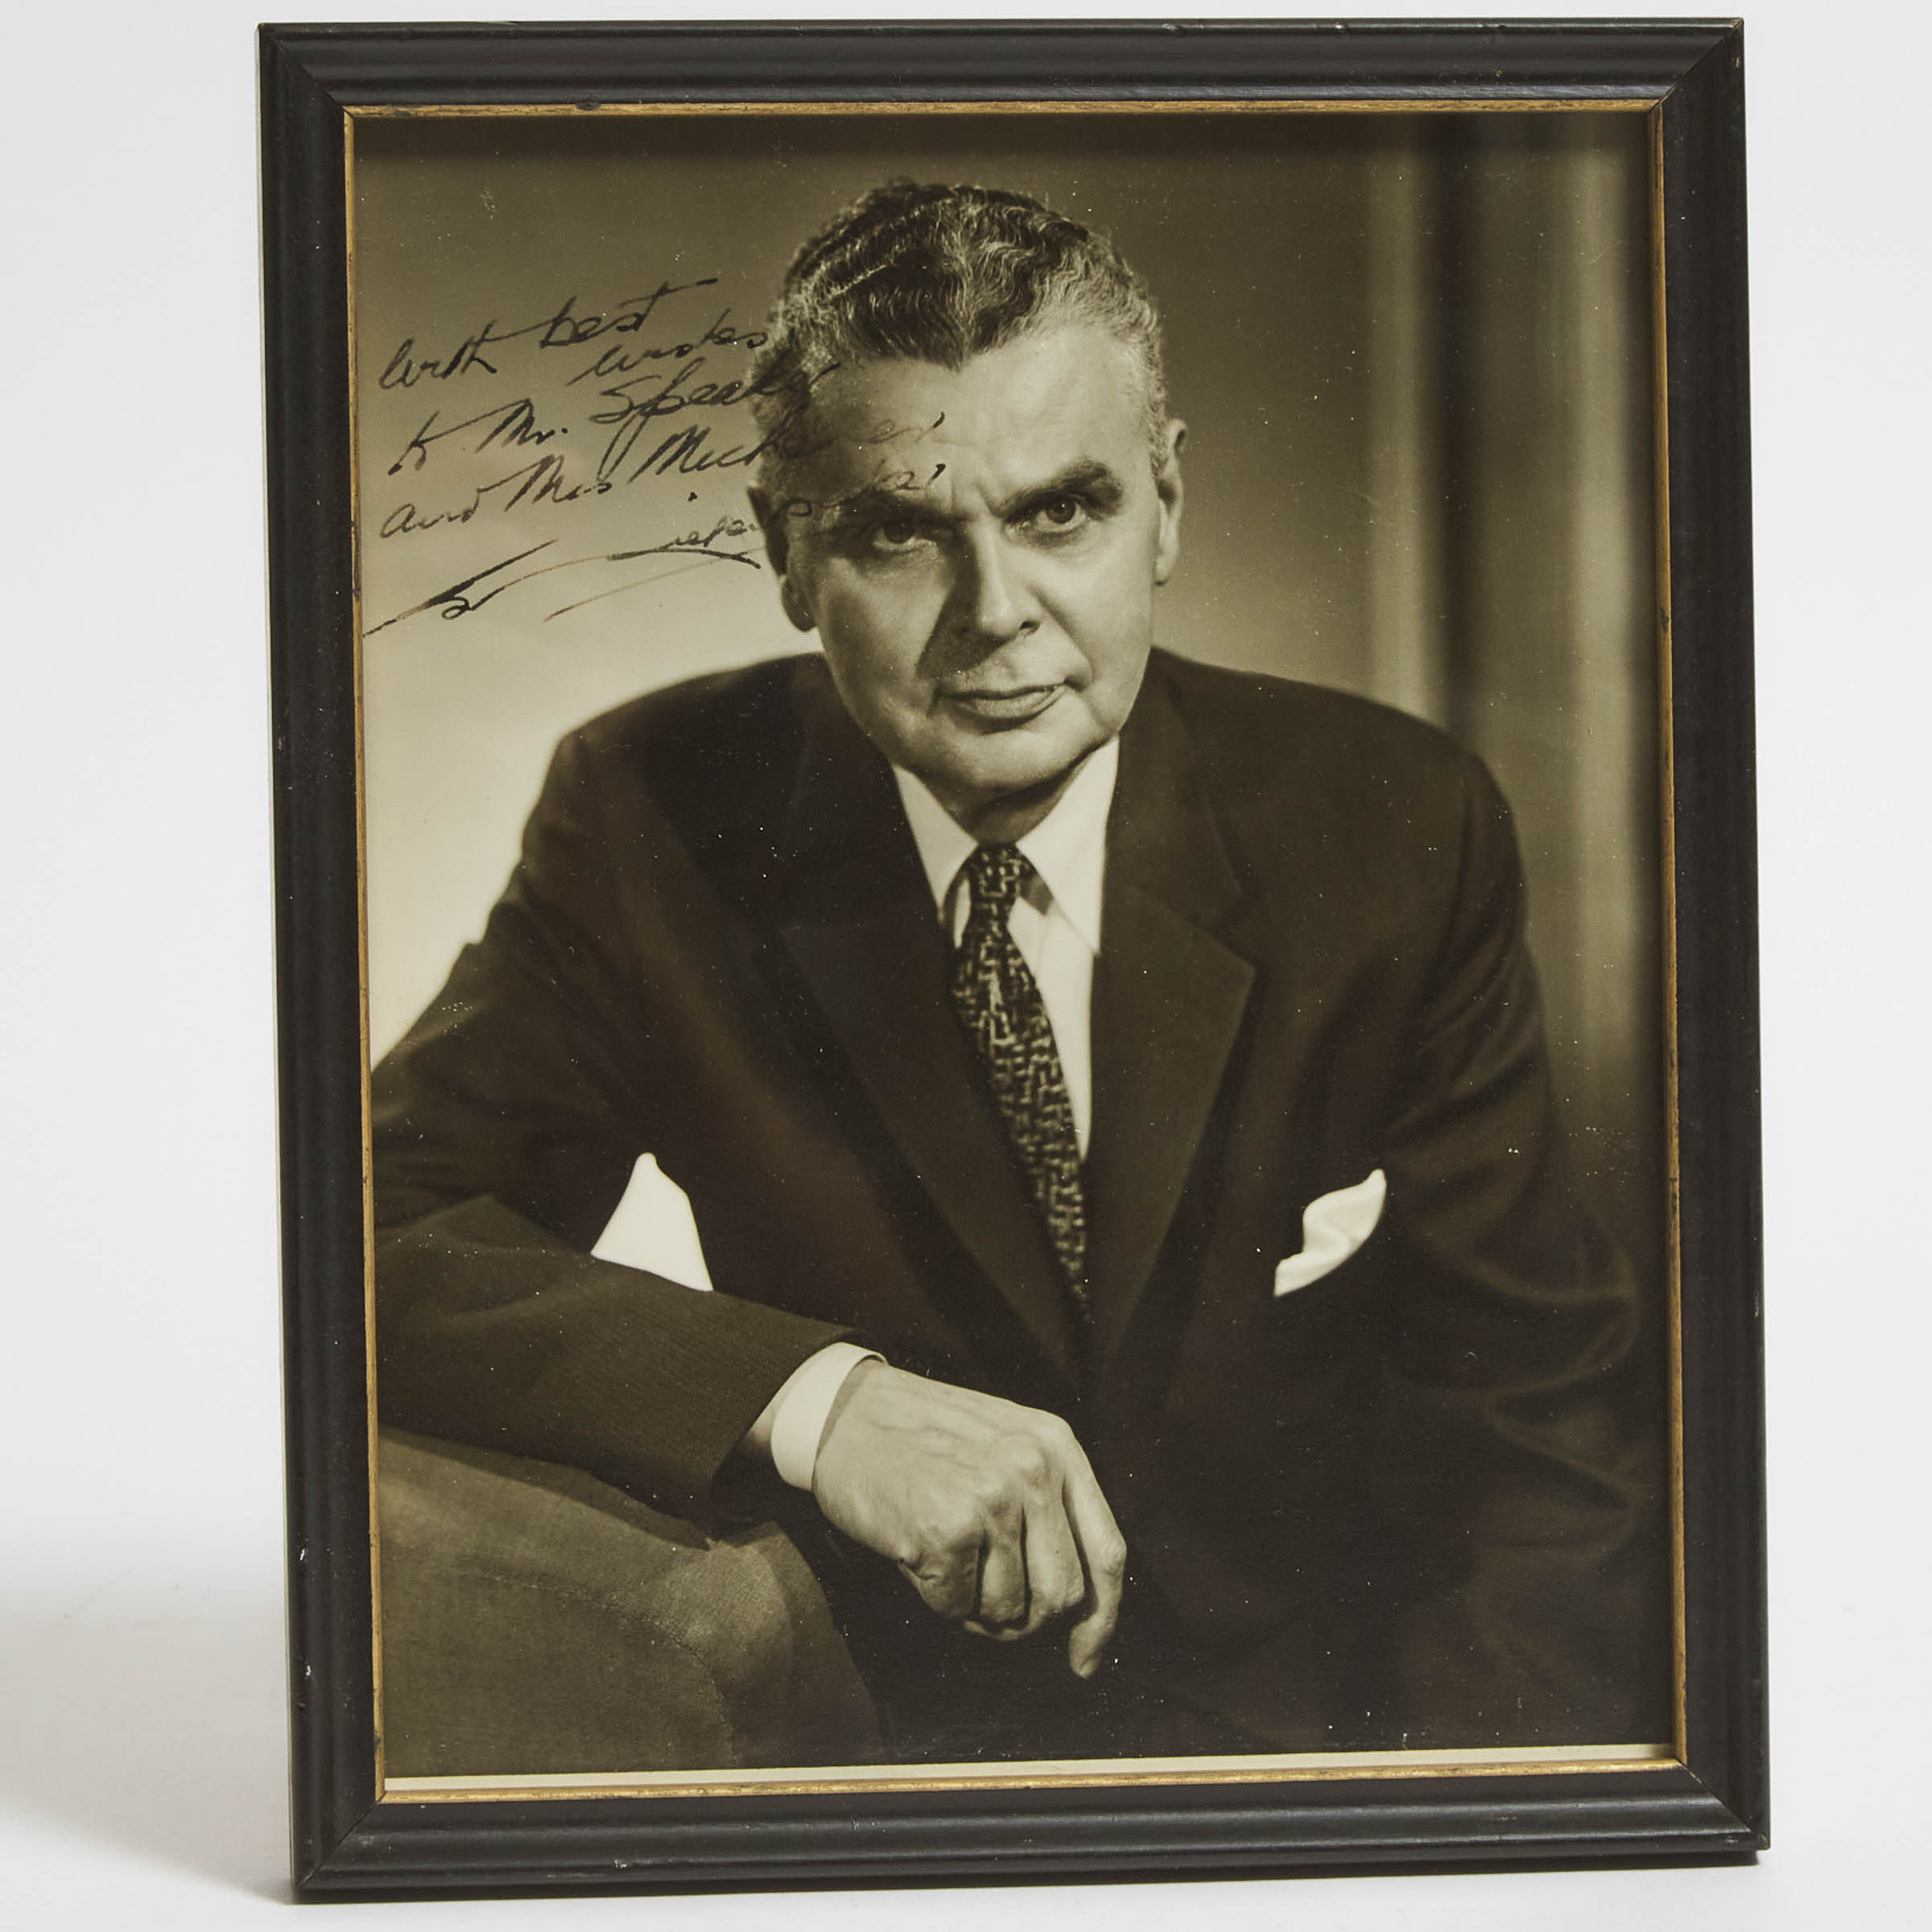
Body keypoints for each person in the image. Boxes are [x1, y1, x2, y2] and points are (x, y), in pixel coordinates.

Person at [371, 181, 1666, 1764]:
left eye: (1062, 511)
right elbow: (361, 1237)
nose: (997, 619)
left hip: (1337, 1753)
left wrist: (1454, 1840)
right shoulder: (657, 813)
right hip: (876, 1769)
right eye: (899, 533)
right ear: (787, 555)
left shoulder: (1395, 820)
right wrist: (819, 1397)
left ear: (1168, 508)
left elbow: (1547, 1435)